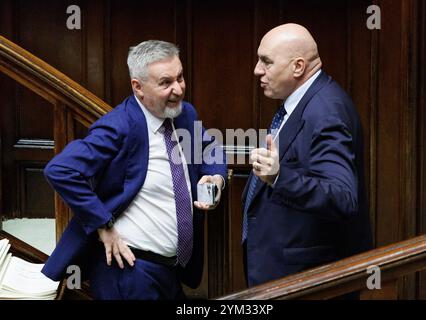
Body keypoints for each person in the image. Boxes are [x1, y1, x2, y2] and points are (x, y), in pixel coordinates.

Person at [42, 40, 227, 299]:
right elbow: (60, 170)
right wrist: (102, 223)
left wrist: (216, 177)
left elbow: (210, 149)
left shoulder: (185, 115)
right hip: (129, 272)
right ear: (138, 87)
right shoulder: (119, 126)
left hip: (171, 271)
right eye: (166, 82)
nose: (178, 89)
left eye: (180, 77)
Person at [242, 23, 373, 288]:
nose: (257, 70)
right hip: (286, 271)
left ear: (298, 67)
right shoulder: (303, 100)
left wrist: (279, 177)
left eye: (266, 62)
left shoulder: (326, 111)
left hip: (308, 279)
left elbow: (342, 197)